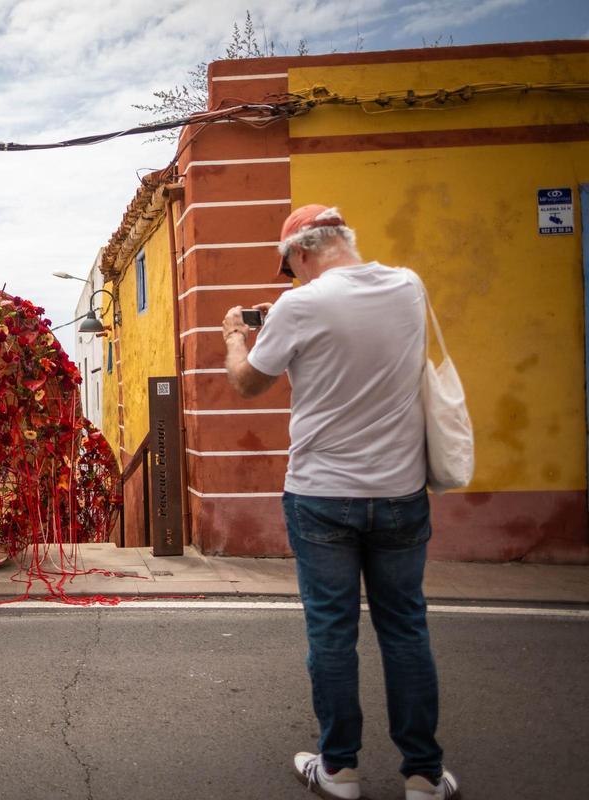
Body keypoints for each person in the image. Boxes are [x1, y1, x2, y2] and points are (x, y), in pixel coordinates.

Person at [220, 205, 460, 800]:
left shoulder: (301, 306)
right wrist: (292, 319)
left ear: (300, 254)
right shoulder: (408, 287)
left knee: (331, 633)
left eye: (289, 268)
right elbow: (353, 330)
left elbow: (249, 382)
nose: (292, 280)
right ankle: (425, 776)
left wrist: (234, 336)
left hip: (322, 495)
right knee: (405, 629)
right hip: (400, 493)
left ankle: (340, 770)